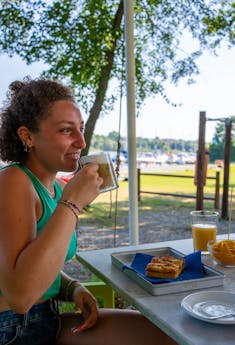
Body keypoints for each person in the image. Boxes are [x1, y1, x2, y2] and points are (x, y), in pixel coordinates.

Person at [0, 77, 178, 345]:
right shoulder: (12, 181)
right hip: (11, 329)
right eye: (66, 131)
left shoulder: (56, 190)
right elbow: (20, 296)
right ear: (28, 136)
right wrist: (72, 203)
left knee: (166, 335)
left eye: (81, 129)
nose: (82, 142)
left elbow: (36, 259)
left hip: (48, 318)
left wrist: (72, 288)